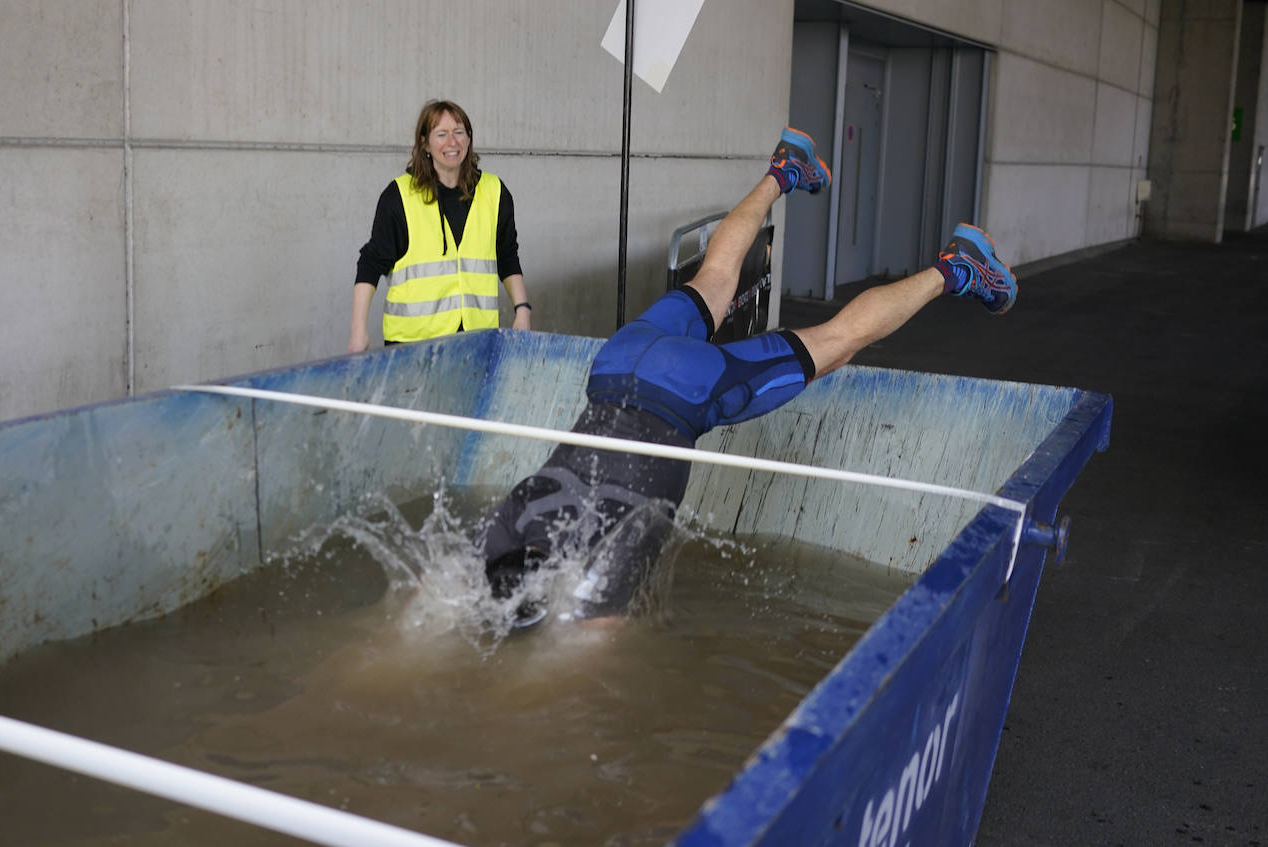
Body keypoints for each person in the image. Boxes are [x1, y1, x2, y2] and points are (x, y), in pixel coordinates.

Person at [476, 127, 1018, 628]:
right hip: (619, 361)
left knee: (836, 342)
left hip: (684, 392)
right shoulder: (504, 528)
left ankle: (957, 268)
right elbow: (449, 587)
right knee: (714, 278)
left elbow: (600, 638)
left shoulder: (614, 550)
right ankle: (785, 168)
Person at [348, 100, 533, 353]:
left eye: (459, 132)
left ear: (469, 138)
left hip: (476, 342)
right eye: (441, 134)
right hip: (413, 346)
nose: (452, 142)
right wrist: (358, 330)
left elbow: (507, 256)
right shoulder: (399, 196)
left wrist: (522, 310)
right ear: (425, 143)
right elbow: (370, 263)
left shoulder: (495, 192)